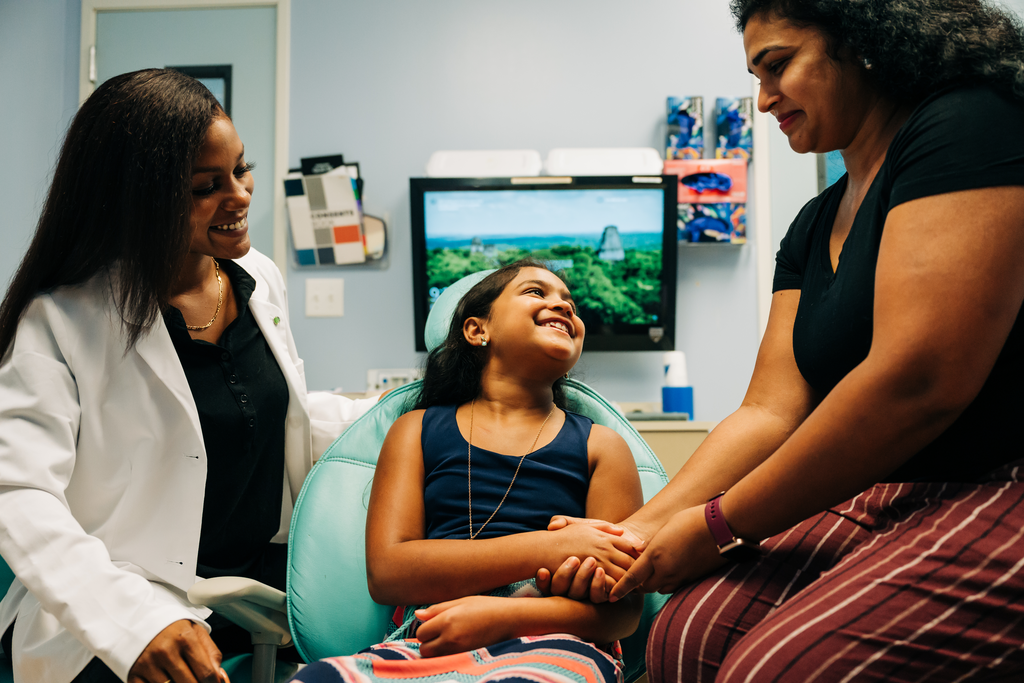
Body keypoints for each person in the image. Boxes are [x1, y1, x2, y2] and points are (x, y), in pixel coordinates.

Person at [548, 0, 1024, 680]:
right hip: (889, 492)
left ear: (864, 41)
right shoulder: (813, 223)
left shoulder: (970, 122)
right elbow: (770, 411)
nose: (765, 97)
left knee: (774, 668)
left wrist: (715, 525)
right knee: (684, 634)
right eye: (756, 74)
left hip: (999, 485)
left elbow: (919, 380)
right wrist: (638, 532)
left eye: (779, 66)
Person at [0, 69, 377, 683]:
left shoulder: (258, 278)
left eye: (241, 170)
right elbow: (19, 495)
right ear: (137, 197)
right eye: (208, 185)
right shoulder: (60, 320)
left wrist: (420, 406)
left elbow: (276, 415)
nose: (240, 195)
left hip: (257, 592)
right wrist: (132, 623)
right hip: (122, 603)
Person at [288, 260, 645, 683]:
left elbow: (622, 610)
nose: (564, 306)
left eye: (570, 302)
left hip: (559, 639)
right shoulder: (415, 430)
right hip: (430, 639)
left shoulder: (601, 446)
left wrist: (506, 616)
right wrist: (554, 547)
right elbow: (388, 573)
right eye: (536, 292)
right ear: (478, 330)